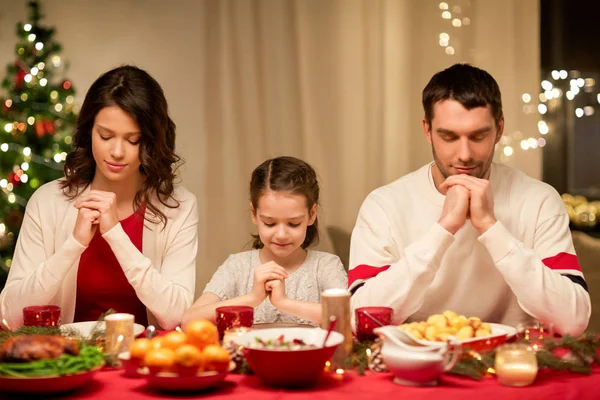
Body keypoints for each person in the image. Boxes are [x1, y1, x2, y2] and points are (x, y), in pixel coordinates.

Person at [348, 63, 590, 335]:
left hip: (514, 363)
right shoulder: (384, 205)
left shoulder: (539, 200)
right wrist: (442, 230)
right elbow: (361, 319)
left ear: (499, 129)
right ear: (427, 130)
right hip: (420, 365)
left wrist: (491, 228)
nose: (464, 154)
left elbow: (574, 321)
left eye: (478, 136)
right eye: (448, 136)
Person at [0, 66, 198, 330]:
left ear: (151, 141)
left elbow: (176, 316)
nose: (117, 151)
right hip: (66, 361)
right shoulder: (48, 202)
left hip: (144, 360)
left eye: (133, 140)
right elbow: (10, 317)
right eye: (105, 136)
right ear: (88, 132)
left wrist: (116, 234)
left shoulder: (179, 206)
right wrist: (74, 244)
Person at [182, 156, 347, 328]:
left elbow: (348, 318)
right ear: (254, 213)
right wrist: (252, 298)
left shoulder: (326, 265)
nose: (281, 234)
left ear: (312, 214)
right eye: (269, 223)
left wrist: (284, 303)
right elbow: (189, 321)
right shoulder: (237, 266)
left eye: (293, 223)